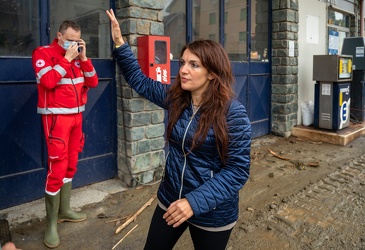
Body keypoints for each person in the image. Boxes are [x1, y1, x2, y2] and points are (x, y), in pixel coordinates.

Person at [106, 9, 251, 250]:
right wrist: (120, 43)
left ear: (212, 73)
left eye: (194, 65)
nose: (183, 69)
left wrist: (193, 202)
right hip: (171, 197)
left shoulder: (232, 114)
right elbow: (140, 81)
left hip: (213, 212)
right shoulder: (177, 99)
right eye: (183, 62)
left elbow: (237, 171)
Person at [31, 20, 98, 248]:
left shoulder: (78, 57)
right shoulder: (43, 53)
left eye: (77, 40)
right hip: (56, 119)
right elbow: (48, 82)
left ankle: (65, 210)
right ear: (59, 35)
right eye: (69, 39)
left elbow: (94, 81)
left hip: (77, 118)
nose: (73, 44)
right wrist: (66, 59)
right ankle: (51, 224)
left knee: (71, 164)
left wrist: (84, 58)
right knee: (57, 167)